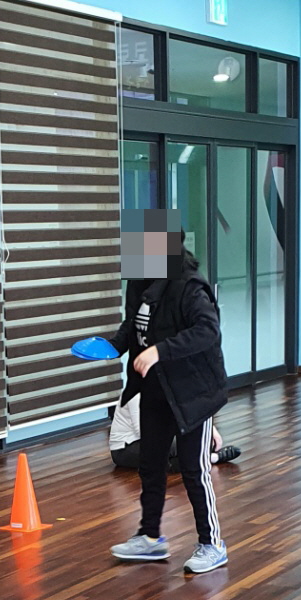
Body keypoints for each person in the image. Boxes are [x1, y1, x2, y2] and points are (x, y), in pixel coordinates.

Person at [105, 210, 229, 574]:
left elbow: (208, 331)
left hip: (193, 392)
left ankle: (212, 544)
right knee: (151, 465)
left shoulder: (190, 286)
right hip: (155, 390)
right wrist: (112, 346)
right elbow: (133, 326)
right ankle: (150, 537)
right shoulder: (140, 283)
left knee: (194, 469)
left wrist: (160, 351)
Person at [108, 390, 240, 471]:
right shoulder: (135, 394)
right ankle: (211, 458)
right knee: (187, 445)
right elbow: (144, 431)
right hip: (125, 448)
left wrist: (210, 429)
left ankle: (202, 458)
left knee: (198, 440)